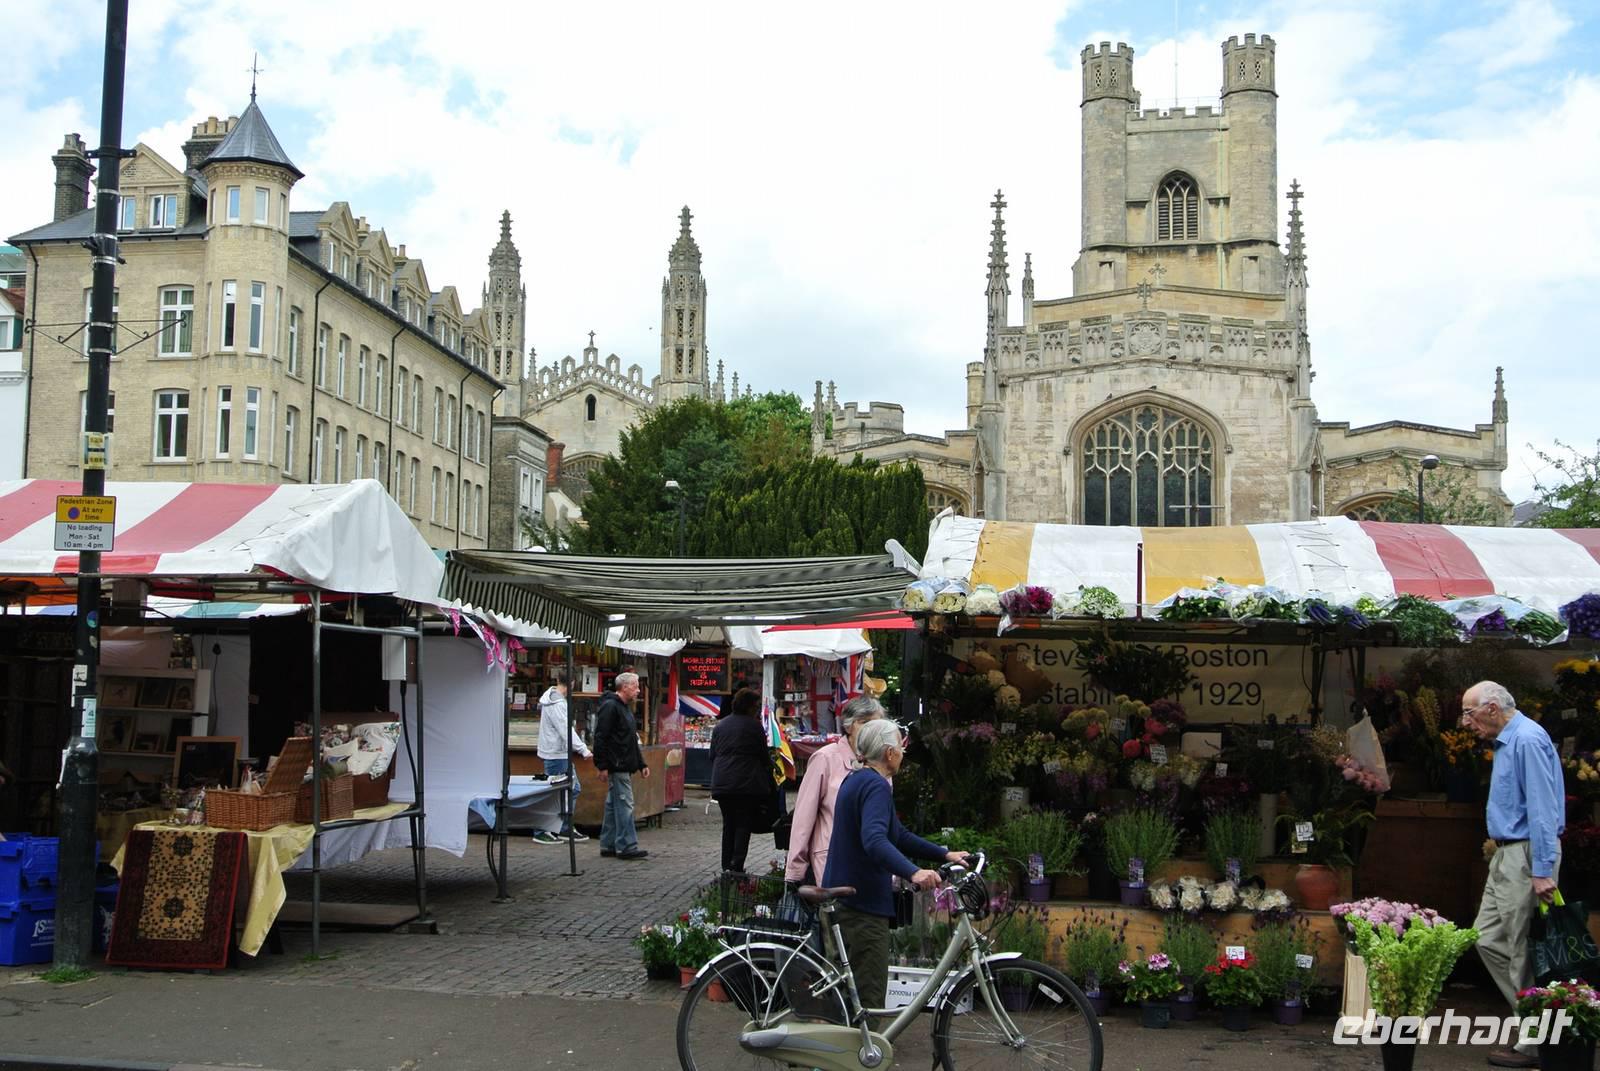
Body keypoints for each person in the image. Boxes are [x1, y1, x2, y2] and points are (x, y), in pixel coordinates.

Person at [821, 718, 967, 1010]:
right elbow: (875, 840)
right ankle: (863, 1052)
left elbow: (896, 834)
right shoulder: (876, 786)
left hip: (845, 897)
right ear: (889, 753)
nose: (903, 752)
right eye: (900, 747)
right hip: (861, 905)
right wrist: (913, 872)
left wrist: (944, 854)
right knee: (869, 995)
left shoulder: (857, 779)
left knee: (843, 994)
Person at [1462, 680, 1565, 1069]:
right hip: (1508, 855)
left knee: (1522, 947)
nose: (1466, 723)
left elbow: (1543, 809)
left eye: (1469, 713)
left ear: (1491, 708)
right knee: (1486, 937)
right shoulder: (1510, 740)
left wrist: (1541, 870)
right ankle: (1536, 1019)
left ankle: (1535, 1040)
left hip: (1525, 856)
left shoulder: (1526, 740)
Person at [785, 696, 884, 892]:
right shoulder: (826, 758)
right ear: (848, 727)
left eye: (878, 724)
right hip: (834, 860)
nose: (872, 729)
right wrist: (795, 869)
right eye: (865, 723)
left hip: (872, 862)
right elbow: (803, 818)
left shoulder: (881, 760)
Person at [710, 687, 774, 874]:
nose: (756, 710)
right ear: (748, 707)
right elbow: (763, 757)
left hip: (722, 783)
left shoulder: (721, 726)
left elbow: (712, 755)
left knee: (728, 824)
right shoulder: (754, 727)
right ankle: (736, 865)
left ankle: (726, 865)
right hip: (746, 784)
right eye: (755, 706)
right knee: (743, 824)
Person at [593, 671, 650, 860]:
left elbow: (630, 739)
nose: (638, 690)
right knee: (625, 804)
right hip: (618, 764)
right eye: (635, 686)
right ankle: (626, 845)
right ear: (624, 687)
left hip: (623, 762)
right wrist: (602, 765)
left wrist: (641, 763)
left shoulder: (624, 708)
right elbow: (601, 736)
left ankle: (608, 843)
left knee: (613, 804)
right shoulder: (611, 707)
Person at [534, 668, 591, 845]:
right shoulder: (558, 704)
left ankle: (562, 826)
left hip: (556, 752)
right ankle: (544, 829)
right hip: (556, 753)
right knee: (561, 791)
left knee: (566, 789)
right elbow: (565, 730)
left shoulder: (551, 700)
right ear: (572, 682)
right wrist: (582, 749)